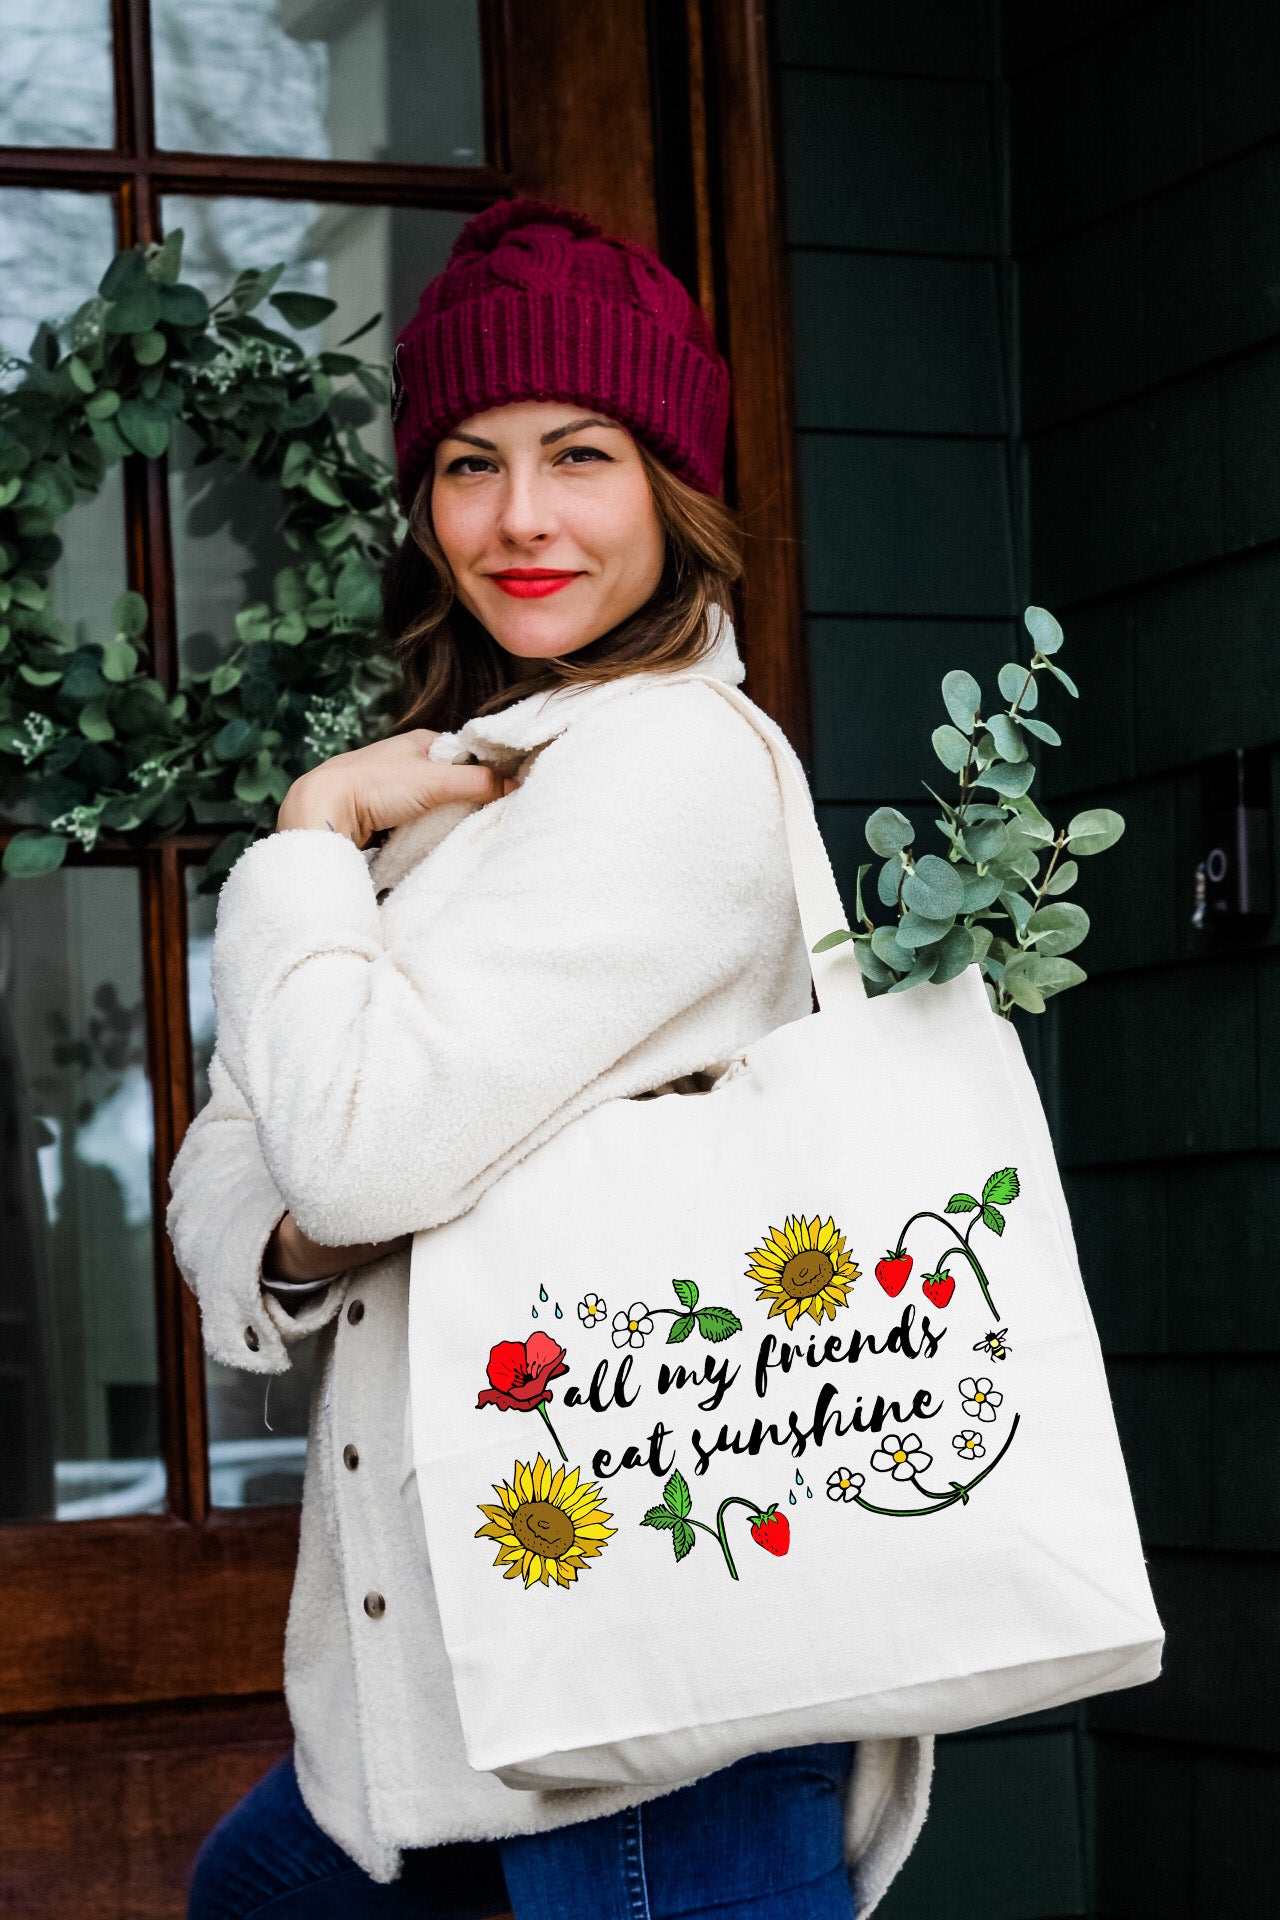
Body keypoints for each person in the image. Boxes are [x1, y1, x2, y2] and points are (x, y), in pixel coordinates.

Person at [171, 198, 932, 1920]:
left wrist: (304, 835)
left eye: (578, 454)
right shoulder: (465, 789)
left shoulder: (662, 767)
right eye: (466, 462)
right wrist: (311, 1204)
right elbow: (238, 1173)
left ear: (672, 485)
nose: (519, 519)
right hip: (451, 1683)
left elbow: (348, 1153)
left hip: (649, 1683)